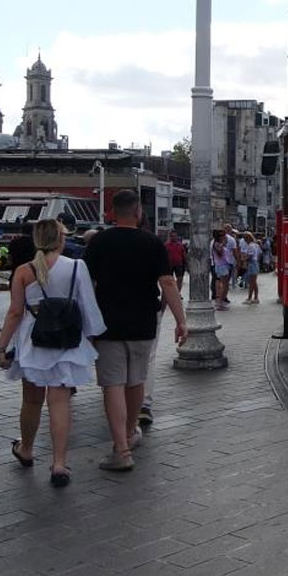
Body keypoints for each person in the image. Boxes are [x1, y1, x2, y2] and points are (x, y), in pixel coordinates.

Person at [0, 219, 106, 488]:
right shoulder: (77, 267)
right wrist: (91, 339)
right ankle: (58, 464)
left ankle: (27, 449)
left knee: (31, 401)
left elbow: (14, 312)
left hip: (33, 342)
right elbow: (88, 307)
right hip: (66, 342)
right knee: (60, 403)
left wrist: (2, 346)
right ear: (60, 239)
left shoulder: (23, 270)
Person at [84, 190, 188, 472]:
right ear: (138, 211)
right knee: (136, 382)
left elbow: (86, 285)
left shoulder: (99, 242)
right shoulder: (152, 243)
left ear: (113, 213)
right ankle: (130, 435)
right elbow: (167, 283)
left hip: (108, 324)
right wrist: (181, 320)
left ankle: (121, 448)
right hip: (144, 322)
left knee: (112, 384)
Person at [210, 231, 231, 311]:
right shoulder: (216, 244)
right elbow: (220, 253)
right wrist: (223, 244)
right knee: (225, 285)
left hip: (224, 265)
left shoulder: (219, 244)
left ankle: (221, 302)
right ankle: (220, 302)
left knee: (226, 285)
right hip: (221, 266)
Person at [242, 232, 262, 304]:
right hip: (256, 263)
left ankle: (249, 298)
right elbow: (259, 253)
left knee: (251, 283)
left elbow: (250, 256)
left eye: (245, 239)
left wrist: (244, 258)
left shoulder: (250, 246)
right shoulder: (256, 245)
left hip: (252, 264)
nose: (244, 240)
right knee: (254, 282)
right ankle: (256, 297)